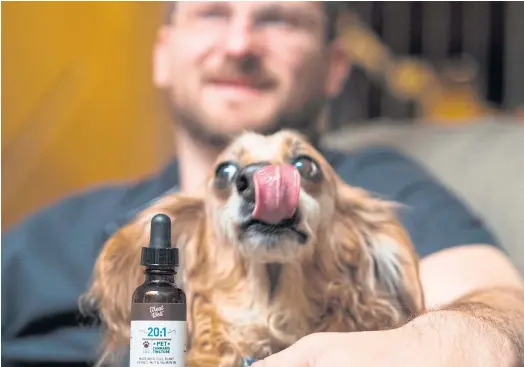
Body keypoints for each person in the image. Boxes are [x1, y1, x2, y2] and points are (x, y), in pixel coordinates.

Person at [2, 2, 523, 366]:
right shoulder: (54, 232)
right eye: (211, 12)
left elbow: (502, 310)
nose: (240, 43)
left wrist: (442, 342)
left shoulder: (378, 185)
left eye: (279, 18)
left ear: (334, 66)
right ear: (162, 53)